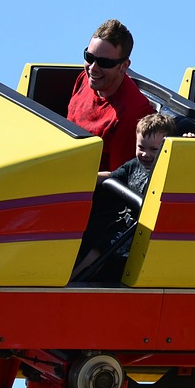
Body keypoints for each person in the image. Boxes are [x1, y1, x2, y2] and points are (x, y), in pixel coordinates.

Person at [71, 112, 175, 281]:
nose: (145, 154)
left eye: (154, 149)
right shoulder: (134, 165)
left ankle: (78, 277)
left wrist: (189, 142)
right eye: (141, 147)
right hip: (122, 221)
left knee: (105, 242)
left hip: (140, 229)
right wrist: (86, 178)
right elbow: (112, 176)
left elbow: (192, 165)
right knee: (94, 224)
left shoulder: (170, 170)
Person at [67, 18, 155, 171]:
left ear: (124, 66)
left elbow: (117, 178)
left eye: (104, 63)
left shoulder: (131, 114)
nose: (93, 68)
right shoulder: (85, 78)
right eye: (89, 57)